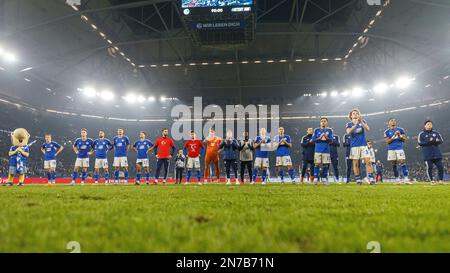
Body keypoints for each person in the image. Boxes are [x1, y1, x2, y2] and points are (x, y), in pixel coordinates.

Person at [346, 108, 374, 185]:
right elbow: (348, 132)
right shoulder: (349, 124)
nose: (355, 114)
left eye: (357, 113)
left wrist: (360, 121)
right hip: (354, 146)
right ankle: (358, 179)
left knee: (368, 162)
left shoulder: (363, 121)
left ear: (359, 115)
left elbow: (368, 129)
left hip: (363, 145)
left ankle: (371, 178)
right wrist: (356, 124)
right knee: (355, 164)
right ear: (351, 116)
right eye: (354, 113)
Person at [384, 118, 410, 184]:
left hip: (399, 148)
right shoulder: (386, 132)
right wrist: (394, 136)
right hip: (391, 149)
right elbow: (387, 142)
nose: (393, 122)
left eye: (394, 121)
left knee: (402, 161)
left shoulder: (401, 130)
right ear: (388, 123)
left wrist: (400, 135)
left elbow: (404, 139)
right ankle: (397, 179)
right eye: (391, 121)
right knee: (394, 164)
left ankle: (406, 178)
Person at [418, 120, 445, 184]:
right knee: (430, 167)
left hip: (436, 153)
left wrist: (435, 141)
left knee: (440, 167)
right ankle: (432, 180)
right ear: (425, 126)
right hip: (427, 154)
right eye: (428, 124)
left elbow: (441, 141)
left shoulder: (436, 133)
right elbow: (419, 143)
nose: (429, 125)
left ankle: (441, 180)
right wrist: (428, 142)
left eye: (430, 124)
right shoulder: (421, 134)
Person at [312, 117, 334, 185]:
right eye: (322, 121)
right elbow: (313, 140)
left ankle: (324, 179)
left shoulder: (329, 130)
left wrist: (327, 137)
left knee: (326, 165)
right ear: (320, 122)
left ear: (327, 123)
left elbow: (331, 141)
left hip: (326, 150)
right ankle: (315, 179)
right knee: (317, 164)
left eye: (324, 121)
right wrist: (320, 137)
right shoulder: (316, 130)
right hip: (318, 150)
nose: (323, 122)